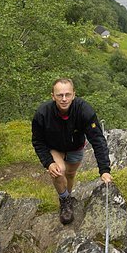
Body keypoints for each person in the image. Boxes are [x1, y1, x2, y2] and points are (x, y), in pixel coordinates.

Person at [32, 77, 112, 225]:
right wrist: (48, 163)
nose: (64, 99)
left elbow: (98, 140)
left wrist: (104, 170)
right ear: (53, 96)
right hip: (54, 148)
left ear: (74, 94)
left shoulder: (84, 110)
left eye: (67, 94)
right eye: (59, 95)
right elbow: (38, 141)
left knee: (70, 174)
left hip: (75, 148)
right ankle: (65, 201)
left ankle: (66, 195)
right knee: (59, 172)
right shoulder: (42, 114)